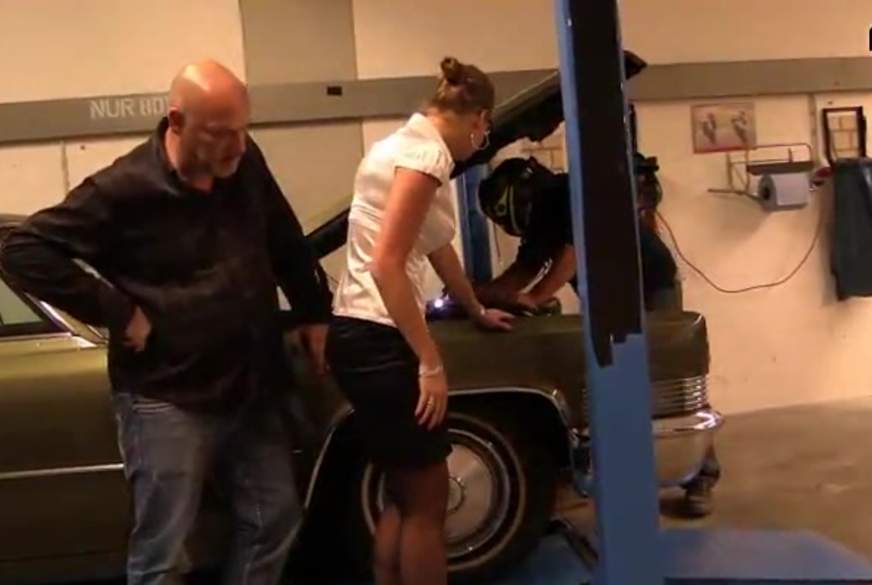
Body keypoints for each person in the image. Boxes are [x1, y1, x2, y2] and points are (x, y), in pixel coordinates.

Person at [0, 60, 331, 585]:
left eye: (244, 129)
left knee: (274, 520)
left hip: (249, 386)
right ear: (177, 121)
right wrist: (116, 310)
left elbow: (285, 240)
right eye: (221, 133)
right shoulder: (122, 189)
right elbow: (21, 249)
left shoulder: (244, 162)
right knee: (164, 553)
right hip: (166, 396)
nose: (238, 146)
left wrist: (313, 312)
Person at [325, 57, 514, 585]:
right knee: (429, 503)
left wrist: (474, 307)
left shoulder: (396, 146)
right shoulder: (428, 156)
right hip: (382, 339)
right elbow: (387, 263)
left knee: (404, 494)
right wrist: (429, 361)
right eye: (486, 130)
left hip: (354, 333)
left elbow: (437, 246)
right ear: (479, 119)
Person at [476, 155, 721, 517]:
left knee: (664, 378)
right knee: (610, 381)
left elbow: (573, 255)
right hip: (606, 295)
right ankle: (624, 470)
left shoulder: (567, 194)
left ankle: (701, 476)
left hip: (649, 282)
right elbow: (524, 269)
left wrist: (535, 298)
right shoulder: (542, 218)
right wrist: (477, 297)